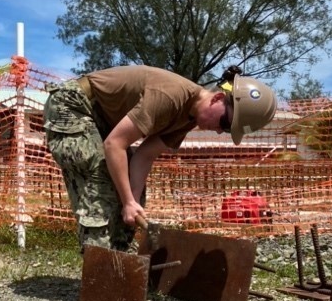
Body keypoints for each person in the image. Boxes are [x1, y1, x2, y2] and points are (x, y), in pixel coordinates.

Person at [43, 65, 276, 252]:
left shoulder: (188, 119)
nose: (218, 130)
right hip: (72, 104)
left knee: (134, 190)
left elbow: (144, 156)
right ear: (217, 99)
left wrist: (132, 202)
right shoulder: (170, 97)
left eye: (225, 131)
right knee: (100, 178)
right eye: (225, 123)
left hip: (101, 118)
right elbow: (114, 144)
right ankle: (99, 266)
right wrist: (125, 200)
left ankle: (120, 257)